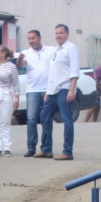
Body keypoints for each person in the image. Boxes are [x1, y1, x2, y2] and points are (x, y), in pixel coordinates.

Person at [36, 24, 80, 161]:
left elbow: (74, 70)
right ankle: (46, 149)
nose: (58, 36)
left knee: (66, 119)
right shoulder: (56, 50)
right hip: (52, 91)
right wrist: (47, 91)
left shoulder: (70, 48)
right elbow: (53, 72)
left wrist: (72, 89)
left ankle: (67, 151)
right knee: (44, 116)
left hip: (65, 88)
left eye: (61, 33)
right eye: (56, 33)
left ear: (67, 34)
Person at [17, 30, 52, 157]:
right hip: (32, 90)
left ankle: (47, 148)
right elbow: (20, 64)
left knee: (46, 119)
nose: (31, 41)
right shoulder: (26, 53)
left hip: (47, 90)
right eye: (29, 39)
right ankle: (31, 147)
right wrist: (19, 59)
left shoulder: (50, 50)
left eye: (33, 38)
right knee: (31, 119)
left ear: (39, 37)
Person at [85, 56, 101, 123]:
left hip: (98, 90)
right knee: (93, 106)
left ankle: (94, 122)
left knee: (97, 107)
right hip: (95, 90)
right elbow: (97, 82)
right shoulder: (100, 70)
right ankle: (86, 122)